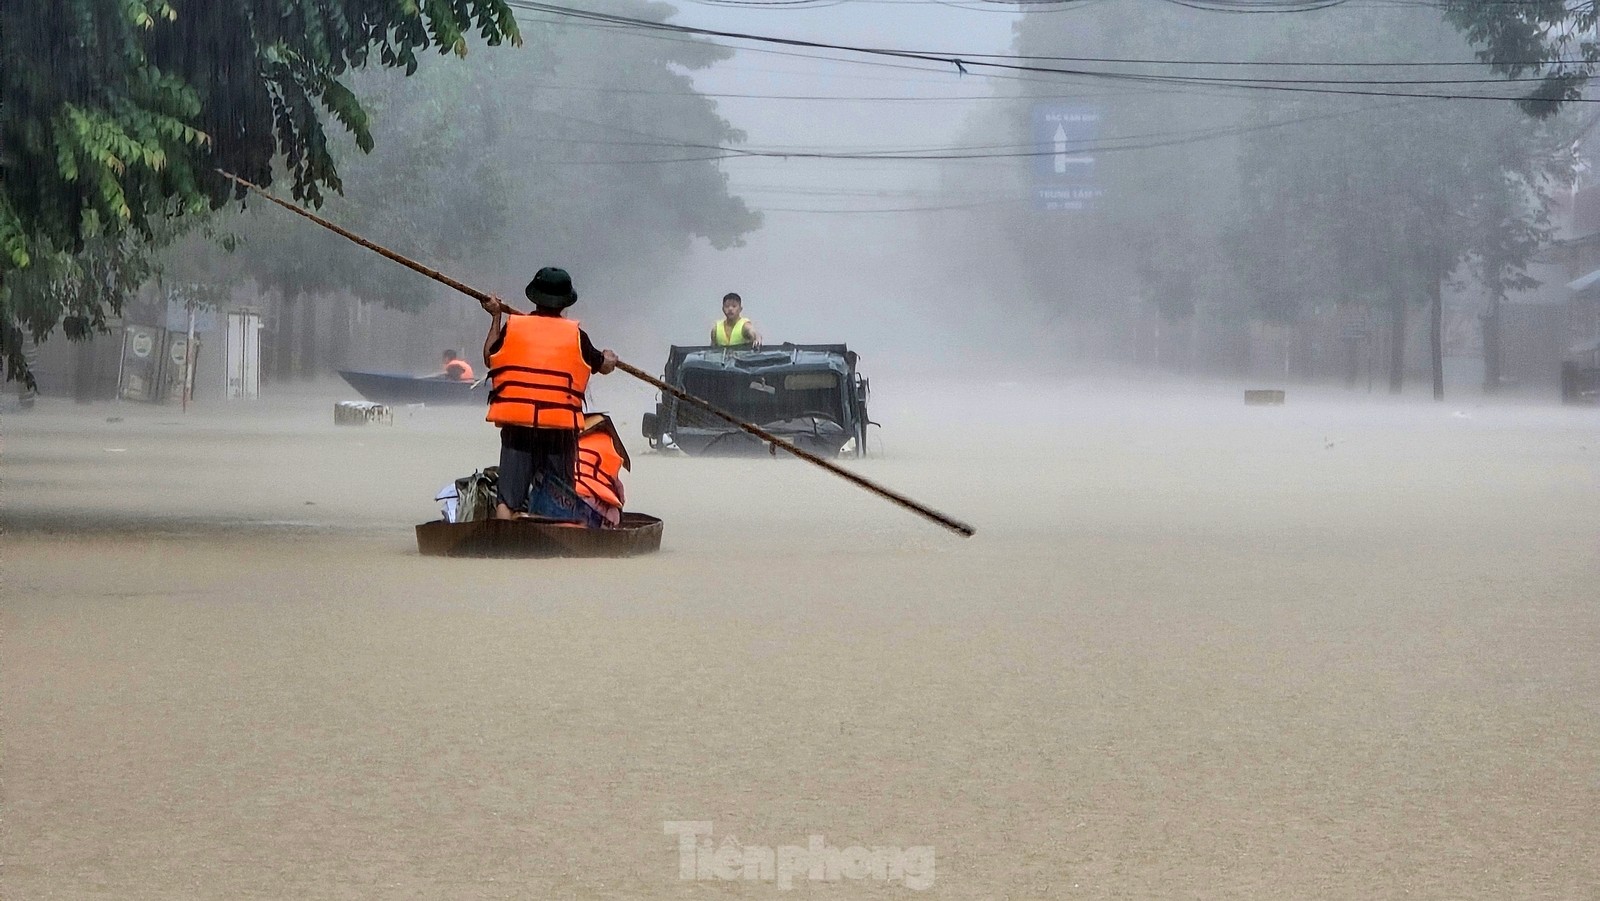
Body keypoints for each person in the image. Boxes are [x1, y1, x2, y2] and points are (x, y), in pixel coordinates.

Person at [480, 267, 617, 522]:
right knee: (559, 500)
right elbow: (605, 367)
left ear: (534, 298)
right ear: (565, 303)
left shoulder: (513, 329)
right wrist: (609, 357)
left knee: (507, 503)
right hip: (559, 432)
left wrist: (496, 317)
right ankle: (554, 549)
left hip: (518, 429)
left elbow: (490, 358)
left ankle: (502, 550)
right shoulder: (577, 337)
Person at [573, 413, 630, 528]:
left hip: (569, 500)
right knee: (615, 513)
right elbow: (619, 492)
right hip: (597, 510)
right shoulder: (607, 444)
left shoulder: (571, 444)